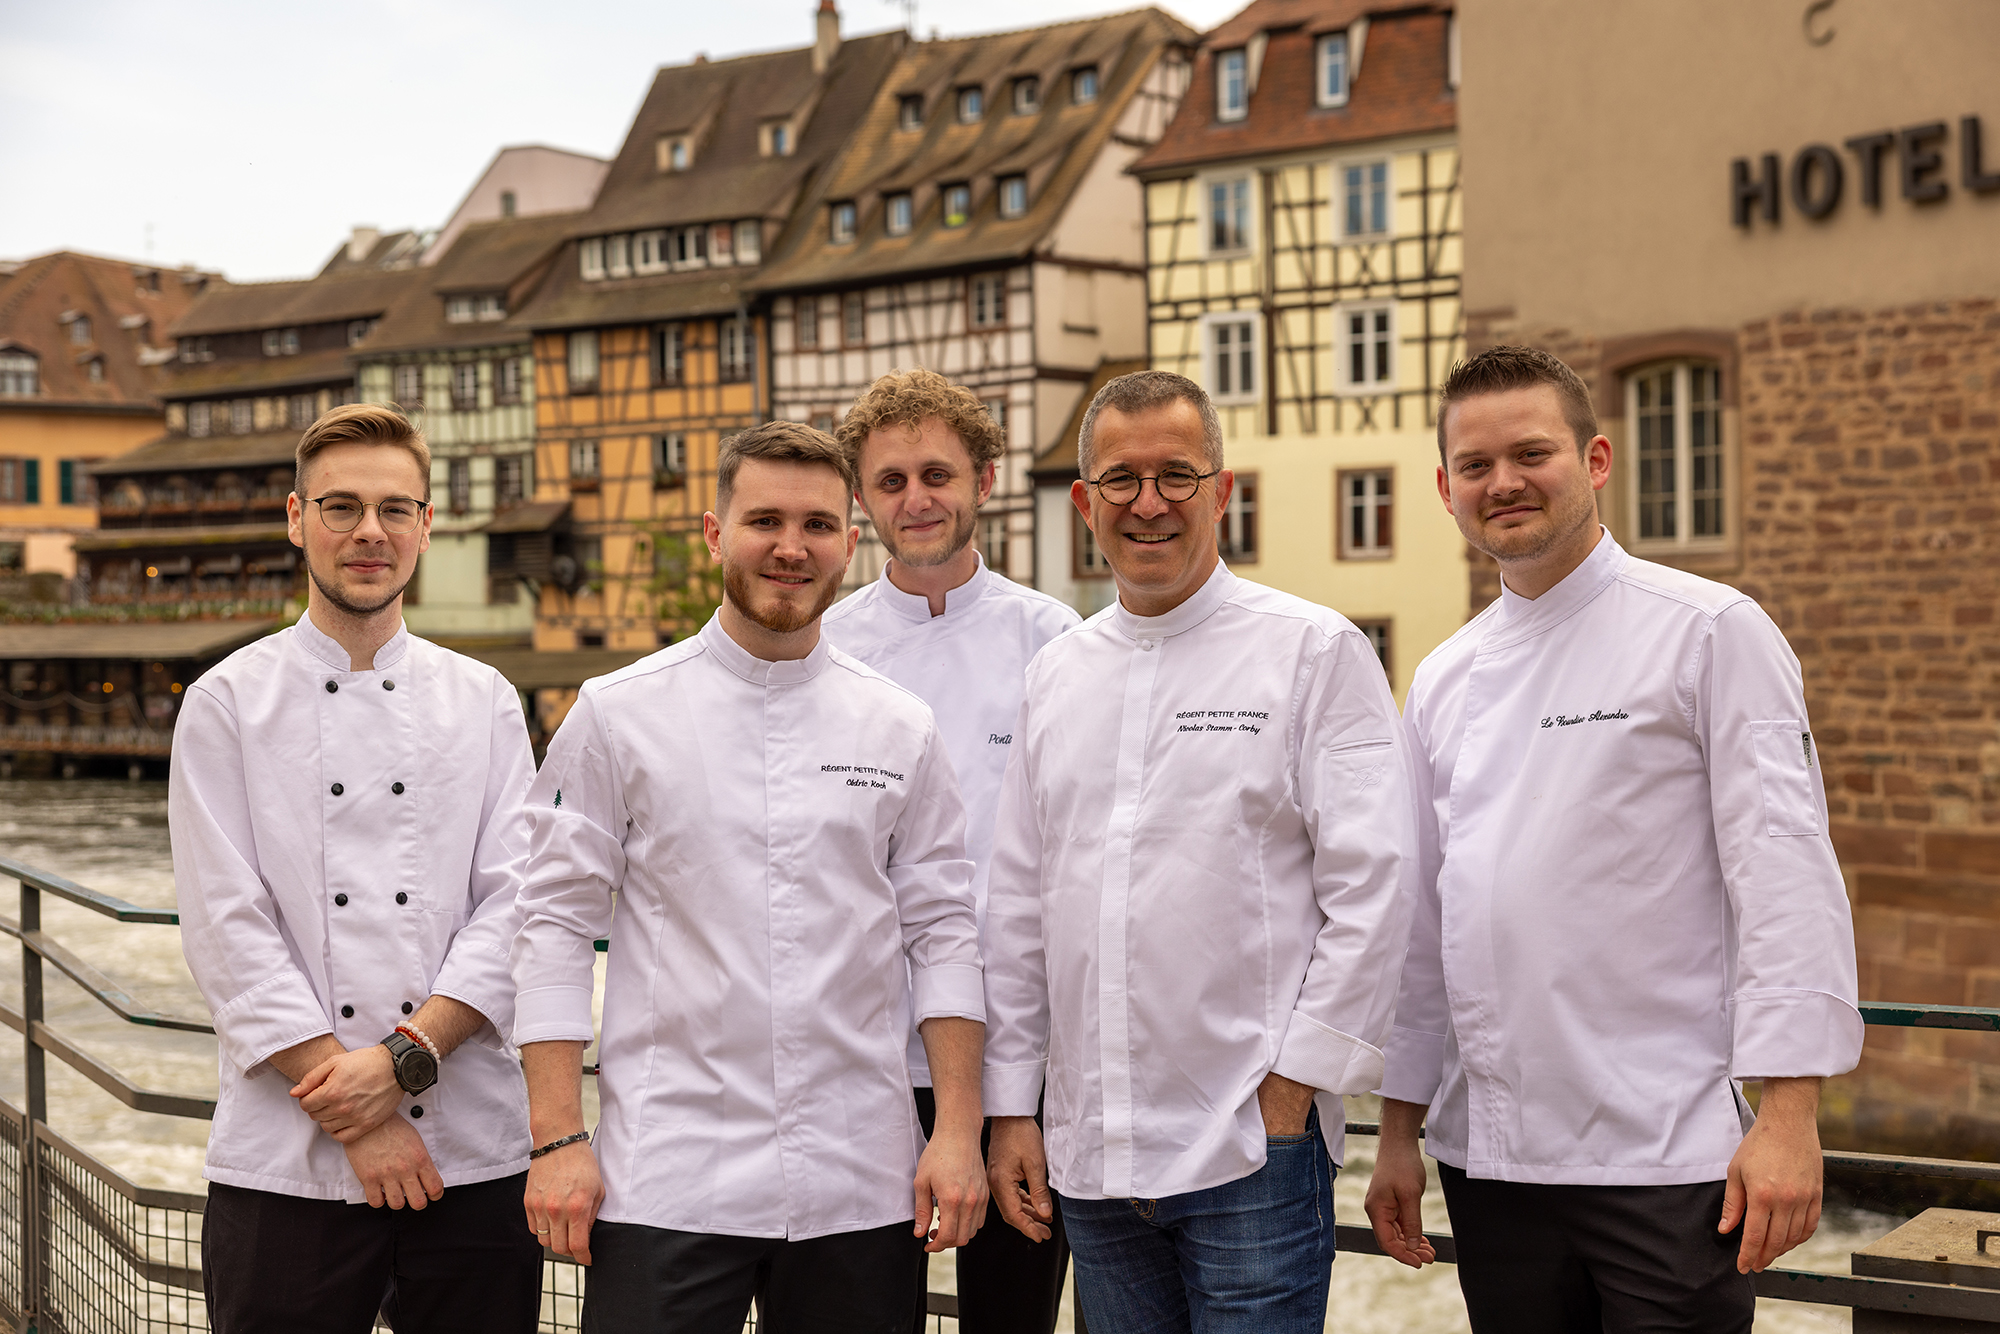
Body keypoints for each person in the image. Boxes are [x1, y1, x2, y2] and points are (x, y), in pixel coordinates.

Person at [1364, 346, 1864, 1333]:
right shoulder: (1443, 676)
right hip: (1488, 1156)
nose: (1502, 481)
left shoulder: (1709, 630)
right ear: (1443, 487)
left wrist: (1789, 1111)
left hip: (1662, 1153)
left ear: (1594, 459)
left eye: (1529, 451)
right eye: (1474, 464)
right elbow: (1424, 921)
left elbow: (1781, 868)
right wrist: (1396, 1129)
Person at [511, 420, 990, 1334]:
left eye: (816, 525)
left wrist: (957, 1132)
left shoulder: (900, 726)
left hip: (861, 1173)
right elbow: (554, 928)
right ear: (713, 533)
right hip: (666, 1173)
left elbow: (945, 932)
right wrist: (558, 1137)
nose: (790, 547)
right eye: (763, 520)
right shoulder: (618, 715)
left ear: (850, 543)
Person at [979, 370, 1416, 1334]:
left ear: (1222, 492)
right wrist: (1014, 1109)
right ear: (1085, 501)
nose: (1149, 503)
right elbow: (1016, 909)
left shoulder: (1312, 651)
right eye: (1121, 480)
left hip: (1251, 1146)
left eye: (1176, 475)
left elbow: (1378, 883)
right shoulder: (1055, 675)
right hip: (1091, 1152)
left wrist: (1294, 1087)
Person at [169, 403, 543, 1333]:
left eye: (394, 508)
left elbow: (518, 906)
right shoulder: (226, 702)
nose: (368, 532)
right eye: (340, 507)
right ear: (297, 520)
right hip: (291, 1153)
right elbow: (227, 926)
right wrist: (366, 1114)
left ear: (426, 523)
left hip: (469, 1148)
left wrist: (406, 1060)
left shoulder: (486, 700)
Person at [820, 369, 1082, 1334]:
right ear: (861, 498)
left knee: (1011, 1319)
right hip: (869, 1065)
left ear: (987, 478)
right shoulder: (825, 652)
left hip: (1024, 1067)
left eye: (937, 474)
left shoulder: (1058, 645)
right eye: (889, 482)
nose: (915, 499)